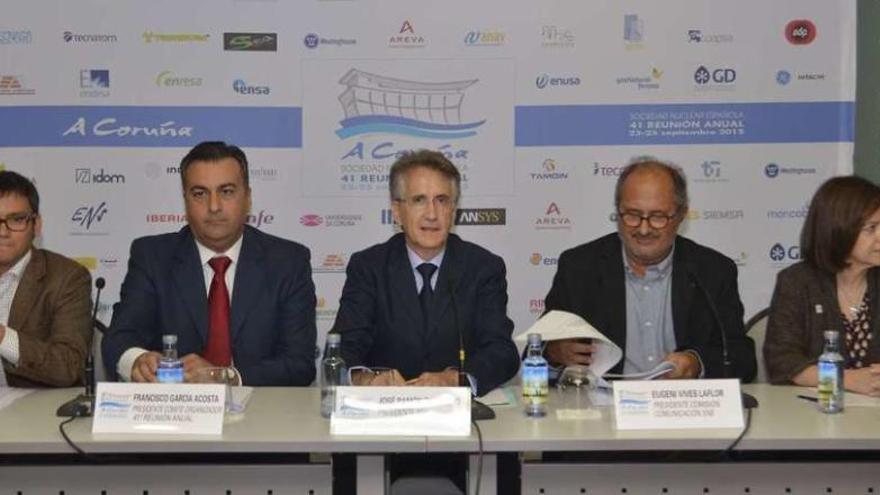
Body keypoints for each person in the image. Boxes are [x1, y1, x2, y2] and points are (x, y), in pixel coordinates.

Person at [102, 141, 316, 385]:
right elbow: (118, 339)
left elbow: (300, 364)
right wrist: (138, 361)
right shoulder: (152, 256)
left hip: (262, 411)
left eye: (226, 191)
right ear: (185, 200)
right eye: (200, 194)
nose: (214, 207)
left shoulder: (287, 261)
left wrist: (225, 377)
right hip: (175, 413)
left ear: (247, 197)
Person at [542, 158, 756, 381]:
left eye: (657, 217)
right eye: (632, 215)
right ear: (618, 212)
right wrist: (554, 353)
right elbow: (536, 351)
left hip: (681, 406)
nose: (644, 229)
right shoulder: (579, 268)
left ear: (681, 215)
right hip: (604, 407)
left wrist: (696, 363)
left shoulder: (712, 271)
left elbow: (742, 358)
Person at [333, 149, 519, 395]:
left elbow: (501, 352)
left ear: (453, 210)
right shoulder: (369, 267)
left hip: (459, 416)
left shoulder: (483, 267)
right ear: (397, 211)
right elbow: (343, 348)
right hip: (385, 415)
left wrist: (454, 379)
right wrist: (366, 379)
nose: (432, 214)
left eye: (441, 200)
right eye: (419, 200)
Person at [765, 176, 880, 395]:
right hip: (813, 414)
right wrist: (846, 379)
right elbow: (781, 363)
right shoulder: (797, 282)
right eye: (871, 228)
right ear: (839, 229)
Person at [0, 171, 92, 388]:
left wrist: (4, 338)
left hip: (29, 413)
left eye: (16, 219)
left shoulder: (67, 278)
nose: (3, 232)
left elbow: (70, 365)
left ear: (36, 225)